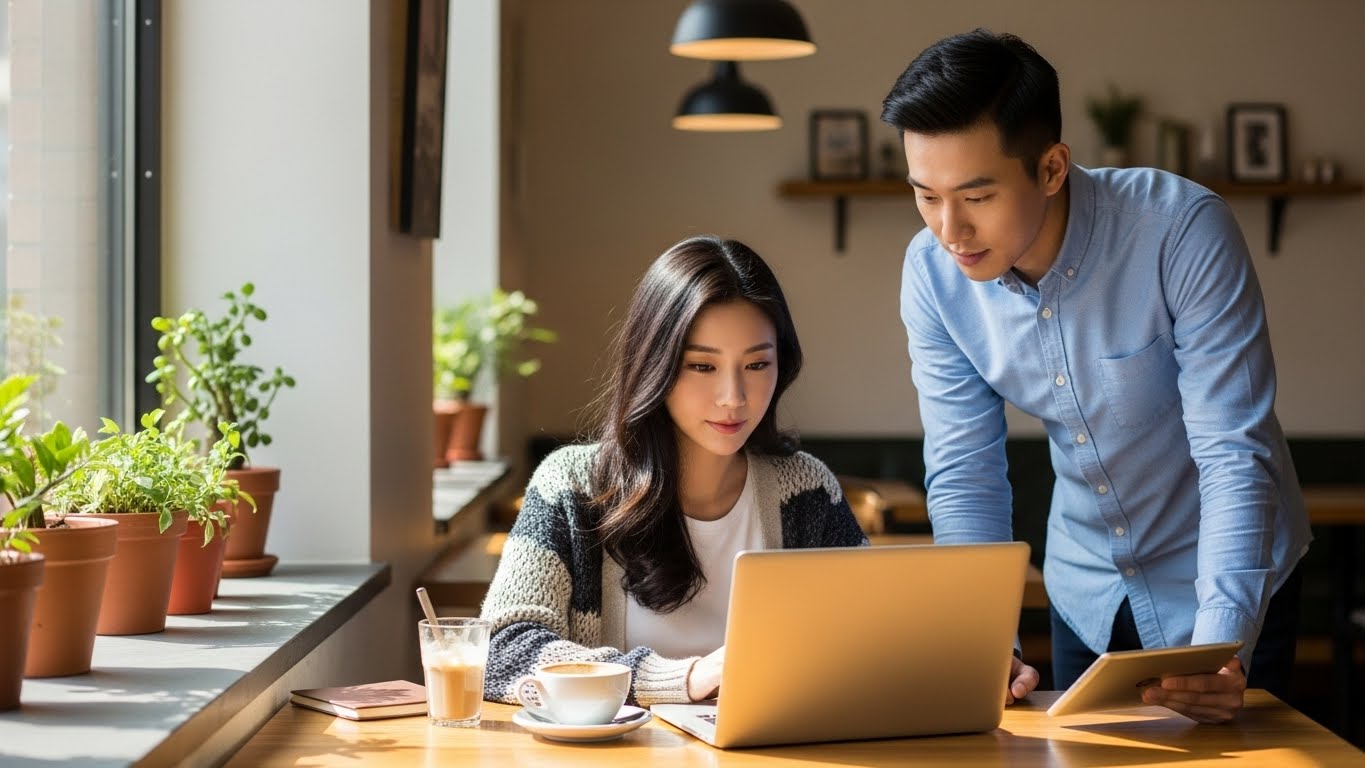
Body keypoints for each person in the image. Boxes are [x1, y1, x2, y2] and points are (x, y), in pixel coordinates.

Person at [880, 29, 1311, 723]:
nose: (948, 230)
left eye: (976, 195)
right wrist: (982, 640)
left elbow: (1233, 452)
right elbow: (965, 469)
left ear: (1051, 168)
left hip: (1228, 578)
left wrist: (1219, 644)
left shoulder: (1181, 230)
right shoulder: (931, 277)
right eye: (925, 196)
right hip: (1088, 589)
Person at [479, 235, 871, 706]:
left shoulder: (805, 489)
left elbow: (868, 640)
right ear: (655, 366)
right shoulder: (571, 486)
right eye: (702, 366)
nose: (734, 396)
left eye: (757, 364)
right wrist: (682, 679)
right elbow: (501, 651)